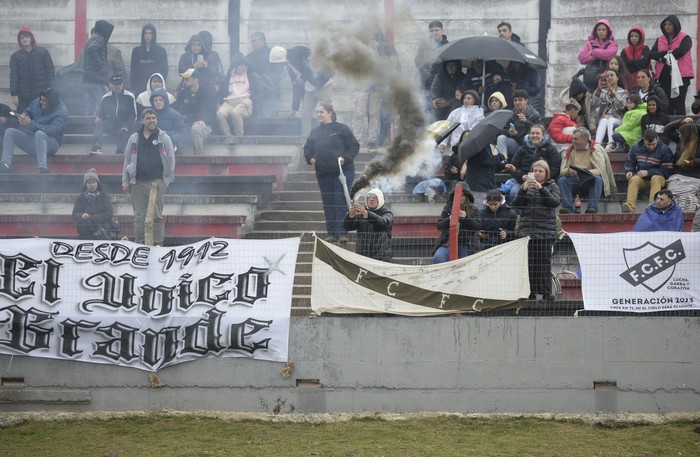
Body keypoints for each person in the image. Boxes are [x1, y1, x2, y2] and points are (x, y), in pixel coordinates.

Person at [303, 103, 359, 243]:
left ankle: (342, 233)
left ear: (330, 113)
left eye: (321, 112)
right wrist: (310, 158)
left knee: (340, 200)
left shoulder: (341, 128)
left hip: (343, 171)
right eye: (317, 112)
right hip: (323, 173)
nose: (319, 115)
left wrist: (345, 158)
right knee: (328, 202)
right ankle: (332, 233)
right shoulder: (315, 132)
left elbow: (354, 146)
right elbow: (307, 148)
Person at [122, 108, 176, 246]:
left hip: (157, 182)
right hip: (137, 182)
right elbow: (127, 160)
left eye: (153, 118)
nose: (151, 120)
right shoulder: (134, 138)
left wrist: (166, 181)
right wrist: (125, 181)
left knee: (157, 216)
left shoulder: (163, 137)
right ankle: (140, 244)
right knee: (139, 216)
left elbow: (171, 158)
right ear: (142, 120)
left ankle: (158, 244)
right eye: (148, 118)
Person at [512, 160, 561, 300]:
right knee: (529, 264)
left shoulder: (552, 186)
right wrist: (523, 190)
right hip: (527, 232)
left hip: (545, 231)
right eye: (535, 171)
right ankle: (530, 292)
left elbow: (554, 202)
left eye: (540, 171)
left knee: (544, 264)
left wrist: (541, 189)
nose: (537, 173)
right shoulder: (525, 186)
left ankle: (546, 293)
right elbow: (516, 204)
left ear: (546, 173)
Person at [0, 88, 68, 174]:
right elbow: (28, 111)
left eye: (44, 101)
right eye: (40, 99)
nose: (40, 102)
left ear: (51, 102)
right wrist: (23, 117)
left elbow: (53, 130)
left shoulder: (61, 112)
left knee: (40, 134)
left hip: (50, 145)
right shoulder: (37, 102)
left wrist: (31, 124)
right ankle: (5, 164)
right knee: (10, 131)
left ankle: (42, 168)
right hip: (32, 141)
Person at [558, 127, 617, 214]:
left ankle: (592, 208)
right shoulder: (570, 151)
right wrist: (569, 171)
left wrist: (584, 172)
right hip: (575, 181)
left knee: (598, 179)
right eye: (573, 138)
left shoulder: (596, 149)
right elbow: (563, 171)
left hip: (589, 181)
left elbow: (600, 170)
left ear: (585, 139)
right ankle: (568, 209)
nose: (573, 141)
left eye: (576, 139)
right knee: (562, 180)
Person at [285, 45, 334, 137]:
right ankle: (305, 140)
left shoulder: (297, 55)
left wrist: (303, 78)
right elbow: (296, 87)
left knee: (326, 112)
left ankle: (328, 137)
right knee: (305, 113)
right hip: (309, 89)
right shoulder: (289, 67)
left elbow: (311, 66)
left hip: (324, 85)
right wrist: (294, 108)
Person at [622, 128, 674, 213]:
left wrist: (648, 172)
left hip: (659, 181)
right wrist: (629, 171)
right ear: (644, 139)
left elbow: (668, 171)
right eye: (648, 144)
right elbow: (630, 161)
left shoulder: (665, 150)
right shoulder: (636, 147)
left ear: (657, 139)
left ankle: (653, 207)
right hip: (643, 181)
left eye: (653, 144)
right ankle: (629, 207)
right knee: (634, 179)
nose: (651, 147)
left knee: (656, 178)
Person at [650, 15, 694, 115]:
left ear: (675, 25)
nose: (667, 27)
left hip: (681, 76)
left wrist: (663, 56)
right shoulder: (660, 39)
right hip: (664, 76)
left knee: (679, 103)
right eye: (665, 25)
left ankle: (681, 127)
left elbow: (680, 52)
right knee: (666, 103)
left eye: (670, 24)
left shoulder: (685, 38)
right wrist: (667, 53)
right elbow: (652, 54)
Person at [504, 124, 560, 202]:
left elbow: (555, 168)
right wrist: (522, 177)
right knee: (514, 192)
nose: (534, 135)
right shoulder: (522, 149)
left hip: (545, 182)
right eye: (532, 133)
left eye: (537, 133)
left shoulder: (551, 149)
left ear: (543, 136)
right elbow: (513, 167)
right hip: (524, 180)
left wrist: (543, 179)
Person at [432, 182, 481, 263]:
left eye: (463, 195)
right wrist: (450, 219)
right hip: (447, 243)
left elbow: (478, 226)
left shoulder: (474, 209)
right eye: (458, 195)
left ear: (467, 197)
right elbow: (439, 226)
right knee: (438, 257)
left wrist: (467, 218)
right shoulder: (448, 208)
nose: (460, 197)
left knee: (464, 263)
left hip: (467, 244)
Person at [173, 68, 217, 155]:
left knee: (196, 128)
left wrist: (204, 120)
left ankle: (198, 159)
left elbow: (212, 112)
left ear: (196, 80)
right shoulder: (182, 94)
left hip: (204, 124)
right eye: (184, 79)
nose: (184, 82)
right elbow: (179, 110)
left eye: (187, 79)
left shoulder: (207, 92)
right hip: (186, 123)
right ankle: (178, 160)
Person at [10, 28, 55, 113]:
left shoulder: (43, 52)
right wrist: (14, 94)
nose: (25, 39)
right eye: (22, 38)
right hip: (23, 95)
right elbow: (13, 76)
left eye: (27, 37)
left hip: (41, 94)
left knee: (42, 117)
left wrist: (50, 87)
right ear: (19, 41)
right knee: (23, 119)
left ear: (31, 38)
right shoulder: (15, 57)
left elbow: (50, 70)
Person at [343, 188, 393, 262]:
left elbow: (384, 223)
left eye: (374, 197)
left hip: (381, 257)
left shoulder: (386, 212)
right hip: (363, 256)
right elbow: (348, 227)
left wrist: (367, 214)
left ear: (380, 199)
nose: (371, 199)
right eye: (369, 197)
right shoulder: (362, 212)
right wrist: (351, 215)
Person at [91, 75, 136, 155]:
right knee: (99, 123)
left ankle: (120, 151)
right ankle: (97, 146)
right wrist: (99, 119)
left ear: (122, 84)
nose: (118, 86)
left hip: (124, 126)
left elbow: (133, 115)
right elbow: (102, 115)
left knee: (122, 133)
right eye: (115, 84)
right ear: (110, 85)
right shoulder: (105, 98)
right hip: (111, 125)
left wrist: (127, 126)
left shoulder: (129, 96)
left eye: (119, 84)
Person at [217, 53, 257, 138]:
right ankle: (228, 137)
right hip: (230, 102)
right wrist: (222, 99)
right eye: (241, 65)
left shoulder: (251, 75)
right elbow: (221, 92)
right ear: (235, 66)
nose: (244, 67)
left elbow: (258, 92)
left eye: (245, 65)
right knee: (220, 114)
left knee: (235, 113)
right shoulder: (229, 76)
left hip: (244, 102)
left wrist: (253, 100)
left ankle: (239, 137)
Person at [664, 120, 700, 212]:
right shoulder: (680, 141)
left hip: (695, 176)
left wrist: (693, 162)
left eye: (682, 134)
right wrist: (680, 122)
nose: (679, 136)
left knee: (688, 196)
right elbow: (667, 130)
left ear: (688, 135)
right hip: (679, 175)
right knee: (673, 193)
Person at [415, 21, 448, 119]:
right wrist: (426, 63)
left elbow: (453, 64)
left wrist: (441, 62)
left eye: (437, 30)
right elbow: (418, 61)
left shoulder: (447, 45)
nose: (434, 33)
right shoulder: (424, 47)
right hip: (426, 83)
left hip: (442, 84)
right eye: (432, 31)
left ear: (442, 30)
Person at [496, 89, 542, 160]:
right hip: (516, 144)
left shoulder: (535, 114)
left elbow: (539, 132)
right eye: (515, 100)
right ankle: (502, 163)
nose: (517, 102)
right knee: (501, 138)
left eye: (520, 100)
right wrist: (509, 133)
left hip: (531, 147)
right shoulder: (511, 114)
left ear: (526, 101)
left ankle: (527, 162)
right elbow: (502, 130)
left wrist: (526, 121)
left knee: (527, 137)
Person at [247, 31, 282, 117]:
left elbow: (279, 72)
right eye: (251, 41)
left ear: (262, 40)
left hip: (269, 95)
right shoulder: (249, 57)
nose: (252, 44)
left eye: (254, 41)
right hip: (254, 96)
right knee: (255, 123)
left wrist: (265, 79)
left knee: (266, 121)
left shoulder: (273, 54)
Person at [83, 20, 114, 116]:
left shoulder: (91, 39)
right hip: (98, 80)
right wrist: (100, 66)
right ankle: (108, 128)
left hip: (88, 80)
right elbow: (92, 49)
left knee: (90, 109)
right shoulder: (100, 39)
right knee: (106, 105)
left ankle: (88, 129)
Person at [72, 168, 114, 240]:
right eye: (89, 183)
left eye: (94, 182)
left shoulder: (104, 196)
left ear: (97, 183)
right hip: (86, 228)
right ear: (85, 184)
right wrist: (81, 215)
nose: (92, 185)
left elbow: (109, 214)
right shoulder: (80, 197)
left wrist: (92, 217)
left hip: (102, 226)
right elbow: (74, 214)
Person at [578, 19, 618, 93]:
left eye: (603, 29)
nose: (601, 32)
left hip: (605, 78)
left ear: (607, 31)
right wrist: (600, 56)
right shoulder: (589, 43)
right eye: (599, 29)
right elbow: (581, 58)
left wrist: (593, 52)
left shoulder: (613, 44)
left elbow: (609, 54)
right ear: (595, 31)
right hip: (590, 79)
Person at [130, 23, 169, 95]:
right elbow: (133, 70)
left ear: (153, 35)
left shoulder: (161, 51)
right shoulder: (136, 51)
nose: (148, 36)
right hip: (140, 88)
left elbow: (164, 70)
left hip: (156, 88)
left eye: (150, 33)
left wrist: (158, 84)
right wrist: (135, 87)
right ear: (143, 35)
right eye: (146, 33)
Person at [592, 69, 628, 145]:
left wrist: (613, 93)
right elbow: (593, 104)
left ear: (617, 78)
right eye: (607, 76)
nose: (609, 77)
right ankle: (597, 144)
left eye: (612, 75)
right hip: (604, 118)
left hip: (618, 119)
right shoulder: (603, 91)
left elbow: (623, 106)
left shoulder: (623, 92)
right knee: (604, 120)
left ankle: (611, 143)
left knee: (610, 120)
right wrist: (598, 91)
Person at [150, 88, 187, 153]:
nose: (158, 102)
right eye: (156, 100)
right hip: (152, 147)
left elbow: (183, 134)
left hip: (171, 147)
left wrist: (168, 137)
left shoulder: (175, 115)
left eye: (160, 100)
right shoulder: (148, 115)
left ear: (165, 100)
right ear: (152, 102)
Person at [620, 26, 651, 90]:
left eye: (636, 36)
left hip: (644, 83)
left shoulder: (645, 49)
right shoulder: (625, 51)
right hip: (629, 83)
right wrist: (638, 62)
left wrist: (630, 62)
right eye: (632, 36)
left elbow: (644, 64)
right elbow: (624, 66)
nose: (634, 38)